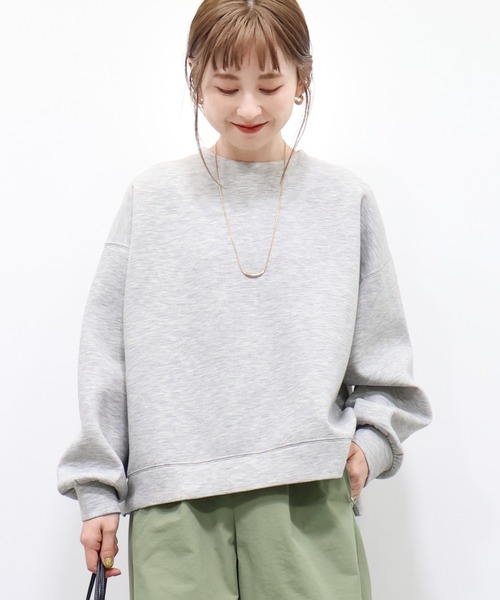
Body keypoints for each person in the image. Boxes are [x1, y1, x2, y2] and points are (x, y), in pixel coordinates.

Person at [57, 1, 432, 598]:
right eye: (227, 87)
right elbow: (106, 356)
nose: (249, 108)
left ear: (303, 80)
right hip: (174, 506)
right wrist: (97, 489)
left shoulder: (345, 201)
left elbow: (387, 369)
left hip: (307, 498)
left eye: (271, 85)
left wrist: (368, 447)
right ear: (195, 82)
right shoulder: (152, 199)